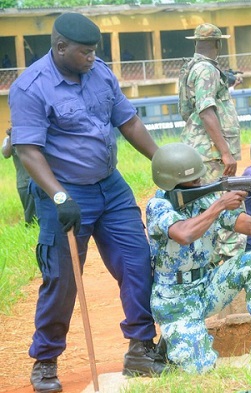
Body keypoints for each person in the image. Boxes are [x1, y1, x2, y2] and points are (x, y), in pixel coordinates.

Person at [8, 13, 169, 392]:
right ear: (61, 47)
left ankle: (141, 348)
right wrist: (59, 195)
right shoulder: (31, 87)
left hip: (110, 187)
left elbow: (128, 123)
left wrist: (165, 165)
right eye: (85, 52)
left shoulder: (100, 73)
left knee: (137, 262)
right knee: (62, 280)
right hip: (62, 193)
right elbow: (28, 150)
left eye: (95, 51)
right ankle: (46, 361)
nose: (92, 58)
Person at [147, 142, 251, 374]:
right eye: (194, 182)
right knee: (201, 370)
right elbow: (184, 234)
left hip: (206, 286)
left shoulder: (203, 200)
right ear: (172, 183)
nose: (201, 184)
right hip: (176, 302)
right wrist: (219, 205)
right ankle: (172, 339)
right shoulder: (158, 206)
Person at [179, 22, 246, 262]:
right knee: (224, 205)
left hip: (203, 150)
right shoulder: (206, 70)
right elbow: (206, 110)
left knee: (213, 206)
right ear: (218, 44)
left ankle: (217, 259)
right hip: (210, 153)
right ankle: (229, 264)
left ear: (197, 42)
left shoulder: (194, 67)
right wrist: (225, 152)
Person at [2, 127, 36, 224]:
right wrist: (11, 137)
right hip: (24, 183)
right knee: (30, 216)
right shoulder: (9, 139)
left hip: (41, 182)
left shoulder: (33, 135)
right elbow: (5, 154)